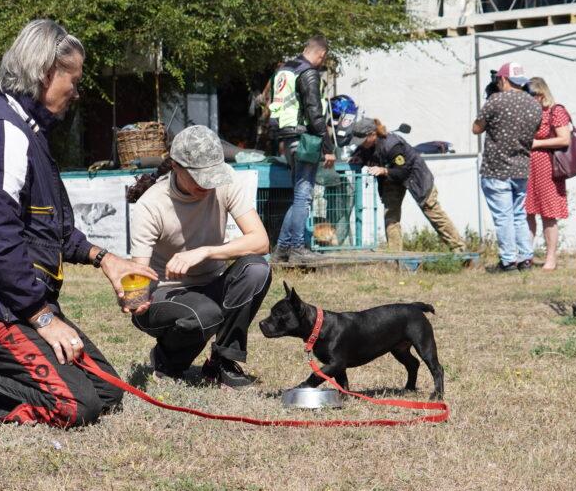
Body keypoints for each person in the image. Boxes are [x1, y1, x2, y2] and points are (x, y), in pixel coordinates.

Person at [0, 19, 156, 428]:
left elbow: (51, 229)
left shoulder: (28, 131)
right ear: (46, 72)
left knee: (109, 392)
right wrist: (43, 318)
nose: (76, 91)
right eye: (73, 79)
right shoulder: (2, 131)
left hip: (18, 304)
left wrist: (106, 259)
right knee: (75, 407)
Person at [128, 125, 272, 389]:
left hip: (211, 284)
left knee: (256, 269)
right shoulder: (151, 205)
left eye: (212, 175)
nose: (207, 184)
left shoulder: (226, 180)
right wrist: (135, 299)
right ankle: (166, 360)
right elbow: (139, 273)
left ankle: (222, 362)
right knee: (205, 312)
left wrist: (206, 251)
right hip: (167, 293)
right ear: (175, 166)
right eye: (198, 177)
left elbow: (260, 241)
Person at [350, 118, 466, 253]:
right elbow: (361, 154)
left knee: (432, 211)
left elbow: (403, 171)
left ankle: (460, 250)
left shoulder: (392, 145)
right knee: (391, 216)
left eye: (363, 140)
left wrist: (384, 170)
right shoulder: (366, 145)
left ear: (372, 134)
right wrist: (356, 159)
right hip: (391, 179)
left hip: (415, 176)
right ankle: (395, 257)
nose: (361, 144)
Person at [269, 35, 336, 263]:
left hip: (287, 138)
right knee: (304, 196)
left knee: (299, 196)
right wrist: (328, 146)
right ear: (321, 54)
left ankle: (282, 250)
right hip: (304, 137)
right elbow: (314, 112)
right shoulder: (308, 72)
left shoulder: (284, 70)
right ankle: (297, 248)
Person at [472, 62, 542, 272]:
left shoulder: (496, 101)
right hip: (521, 168)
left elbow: (476, 128)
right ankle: (526, 258)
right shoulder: (534, 104)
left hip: (496, 169)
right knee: (519, 215)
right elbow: (536, 130)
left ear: (503, 79)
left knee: (503, 217)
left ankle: (508, 260)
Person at [525, 77, 572, 271]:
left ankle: (551, 257)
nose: (527, 99)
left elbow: (564, 139)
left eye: (530, 95)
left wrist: (538, 144)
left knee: (548, 214)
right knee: (527, 212)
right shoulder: (529, 113)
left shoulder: (556, 111)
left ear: (540, 94)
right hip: (528, 167)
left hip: (548, 168)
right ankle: (526, 255)